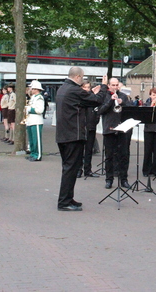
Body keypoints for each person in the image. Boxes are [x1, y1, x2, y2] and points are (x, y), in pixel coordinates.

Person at [54, 67, 107, 211]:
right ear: (77, 77)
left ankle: (68, 198)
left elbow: (83, 100)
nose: (83, 80)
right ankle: (64, 202)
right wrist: (103, 87)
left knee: (69, 168)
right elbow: (97, 100)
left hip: (63, 135)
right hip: (73, 135)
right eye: (82, 77)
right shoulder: (74, 90)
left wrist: (90, 93)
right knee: (70, 168)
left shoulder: (62, 89)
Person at [99, 77, 131, 189]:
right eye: (113, 85)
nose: (115, 87)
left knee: (123, 155)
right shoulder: (104, 96)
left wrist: (123, 103)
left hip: (122, 128)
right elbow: (100, 110)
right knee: (109, 156)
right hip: (109, 129)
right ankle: (109, 179)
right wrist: (111, 101)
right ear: (109, 85)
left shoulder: (123, 96)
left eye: (117, 85)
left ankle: (124, 179)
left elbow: (130, 110)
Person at [78, 80, 100, 178]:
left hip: (91, 127)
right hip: (81, 128)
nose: (87, 89)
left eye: (88, 87)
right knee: (79, 150)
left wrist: (95, 120)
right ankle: (79, 170)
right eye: (84, 87)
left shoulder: (92, 99)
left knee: (89, 150)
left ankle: (88, 170)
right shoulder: (80, 99)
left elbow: (97, 111)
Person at [142, 88, 156, 177]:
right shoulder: (146, 104)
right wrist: (151, 107)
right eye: (153, 95)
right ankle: (146, 170)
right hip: (148, 130)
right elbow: (146, 116)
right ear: (150, 95)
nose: (155, 97)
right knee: (148, 150)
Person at [25, 80, 45, 162]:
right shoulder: (33, 97)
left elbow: (40, 110)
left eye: (32, 88)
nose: (31, 89)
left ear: (36, 89)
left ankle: (38, 155)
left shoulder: (39, 98)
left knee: (36, 140)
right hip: (31, 121)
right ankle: (33, 153)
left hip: (36, 121)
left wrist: (30, 109)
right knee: (32, 139)